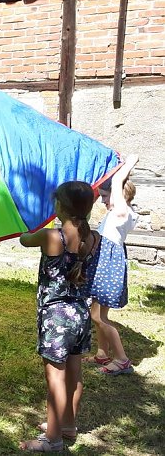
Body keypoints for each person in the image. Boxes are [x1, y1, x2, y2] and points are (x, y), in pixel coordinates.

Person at [18, 181, 97, 452]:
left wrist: (34, 221)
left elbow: (24, 238)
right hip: (80, 313)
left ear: (60, 206)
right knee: (74, 373)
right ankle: (67, 426)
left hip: (57, 316)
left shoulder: (51, 237)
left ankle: (52, 440)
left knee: (55, 378)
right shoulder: (92, 237)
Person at [84, 154, 139, 375]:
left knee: (98, 316)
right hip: (103, 265)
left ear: (119, 196)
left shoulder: (121, 212)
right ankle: (102, 353)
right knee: (98, 312)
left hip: (107, 267)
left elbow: (117, 183)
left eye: (106, 196)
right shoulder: (116, 214)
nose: (104, 200)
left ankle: (122, 359)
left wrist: (127, 164)